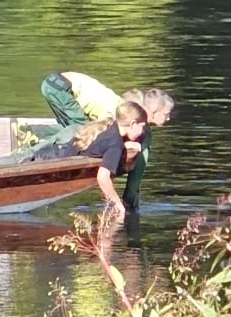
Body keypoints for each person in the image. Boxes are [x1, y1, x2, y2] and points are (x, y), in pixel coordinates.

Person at [38, 72, 175, 212]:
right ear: (154, 112)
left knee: (77, 131)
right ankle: (39, 138)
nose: (169, 118)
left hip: (56, 83)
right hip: (59, 86)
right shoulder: (117, 114)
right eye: (166, 114)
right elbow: (108, 139)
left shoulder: (132, 116)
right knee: (82, 131)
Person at [35, 99, 149, 217]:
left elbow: (103, 145)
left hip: (49, 153)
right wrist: (117, 203)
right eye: (142, 127)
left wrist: (125, 146)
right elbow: (103, 177)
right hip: (44, 161)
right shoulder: (115, 144)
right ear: (133, 124)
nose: (142, 132)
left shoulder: (109, 126)